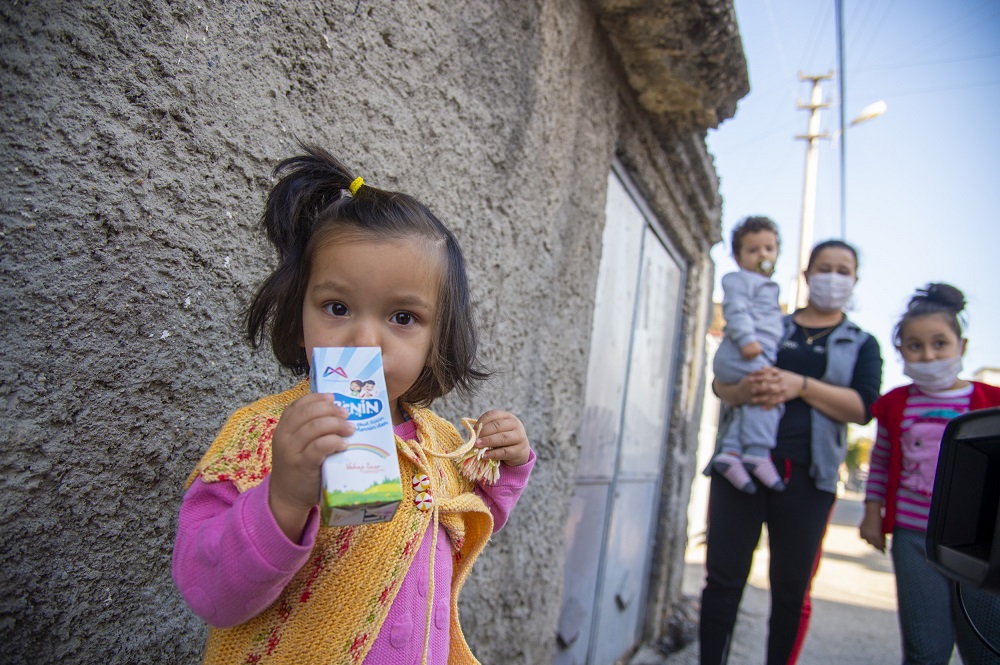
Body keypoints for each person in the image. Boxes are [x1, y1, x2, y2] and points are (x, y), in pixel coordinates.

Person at [172, 145, 535, 665]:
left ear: (438, 339)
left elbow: (477, 510)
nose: (365, 340)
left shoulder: (438, 443)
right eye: (337, 308)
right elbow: (208, 592)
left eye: (403, 317)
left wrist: (507, 460)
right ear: (300, 319)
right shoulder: (259, 436)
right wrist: (284, 500)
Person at [700, 239, 883, 665]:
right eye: (824, 268)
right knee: (723, 580)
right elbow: (721, 384)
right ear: (806, 274)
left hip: (808, 477)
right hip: (740, 467)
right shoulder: (767, 323)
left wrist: (800, 385)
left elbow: (863, 408)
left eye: (843, 270)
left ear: (854, 279)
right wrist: (741, 389)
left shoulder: (861, 342)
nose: (833, 277)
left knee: (790, 590)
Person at [860, 283, 1000, 665]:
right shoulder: (893, 405)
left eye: (940, 344)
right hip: (915, 538)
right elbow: (882, 459)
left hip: (981, 545)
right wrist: (873, 512)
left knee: (986, 647)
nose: (928, 354)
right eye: (915, 345)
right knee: (926, 647)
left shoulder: (992, 402)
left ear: (962, 347)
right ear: (900, 350)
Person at [711, 216, 786, 493]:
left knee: (749, 405)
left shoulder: (766, 287)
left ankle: (730, 454)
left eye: (769, 248)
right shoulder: (740, 280)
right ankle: (756, 452)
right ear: (738, 257)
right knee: (770, 399)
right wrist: (747, 341)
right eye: (753, 250)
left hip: (753, 355)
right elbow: (735, 309)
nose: (762, 255)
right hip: (742, 355)